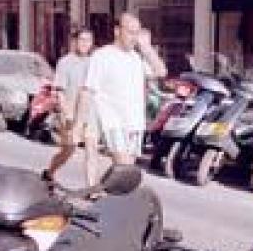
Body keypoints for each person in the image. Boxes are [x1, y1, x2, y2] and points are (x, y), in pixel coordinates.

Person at [83, 12, 167, 185]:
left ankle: (102, 190)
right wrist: (81, 122)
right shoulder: (102, 55)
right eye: (130, 32)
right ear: (117, 31)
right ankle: (101, 190)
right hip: (113, 120)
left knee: (126, 172)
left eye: (137, 32)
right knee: (124, 167)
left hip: (134, 122)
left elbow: (161, 71)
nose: (134, 37)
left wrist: (147, 48)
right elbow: (88, 89)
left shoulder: (137, 58)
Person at [42, 28, 97, 182]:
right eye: (82, 40)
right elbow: (60, 91)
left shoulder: (94, 63)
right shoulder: (65, 62)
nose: (85, 43)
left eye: (88, 40)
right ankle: (49, 172)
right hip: (71, 114)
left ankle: (91, 188)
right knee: (68, 151)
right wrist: (67, 114)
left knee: (91, 149)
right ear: (75, 42)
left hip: (90, 114)